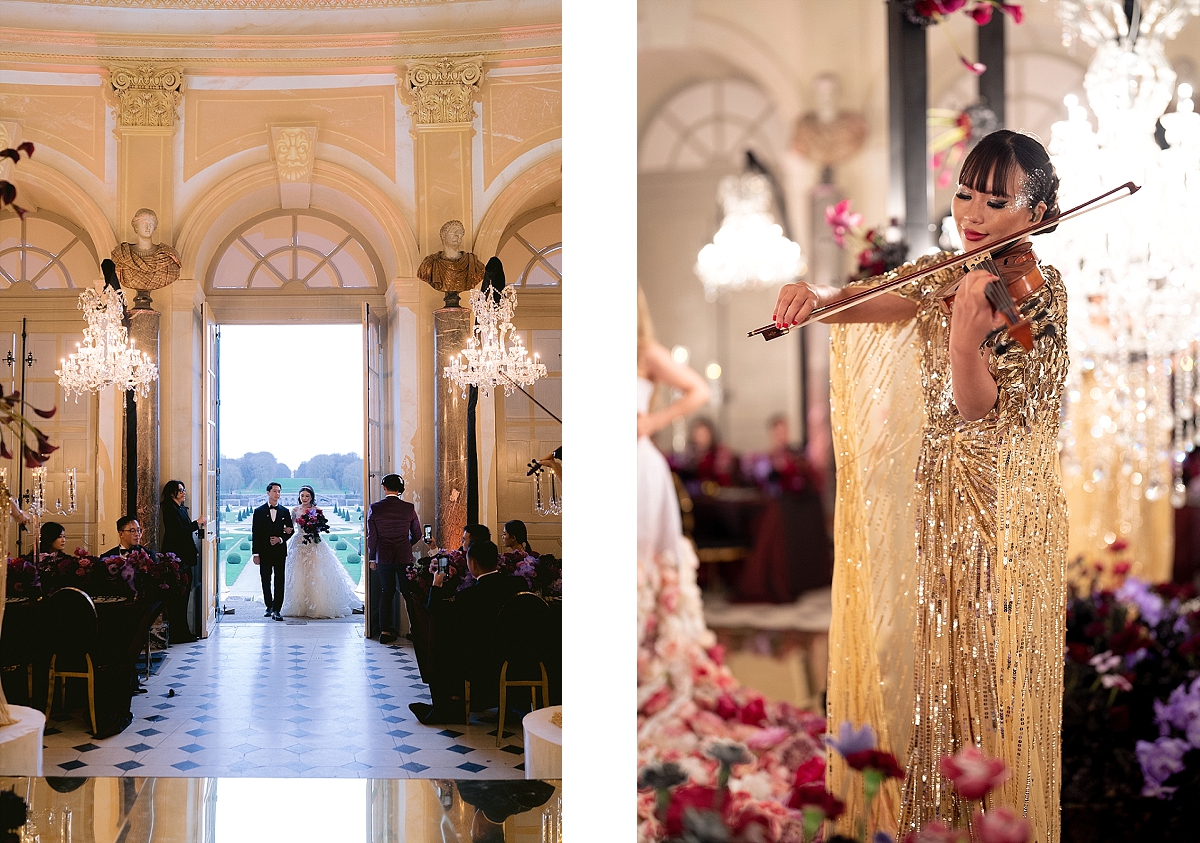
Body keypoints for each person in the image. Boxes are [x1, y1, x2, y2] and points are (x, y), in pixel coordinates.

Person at [772, 130, 1067, 840]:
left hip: (1002, 512)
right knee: (935, 665)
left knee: (990, 679)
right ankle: (936, 822)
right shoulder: (948, 268)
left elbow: (981, 411)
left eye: (997, 201)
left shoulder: (1039, 290)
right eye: (967, 192)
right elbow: (874, 299)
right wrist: (817, 298)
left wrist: (966, 341)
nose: (973, 211)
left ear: (1038, 212)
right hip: (937, 502)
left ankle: (994, 823)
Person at [636, 285, 721, 741]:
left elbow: (697, 390)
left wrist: (650, 422)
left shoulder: (643, 350)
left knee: (644, 567)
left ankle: (651, 662)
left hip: (638, 466)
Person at [410, 539, 525, 725]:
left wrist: (436, 585)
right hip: (518, 657)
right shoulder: (518, 585)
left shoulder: (470, 597)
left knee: (445, 644)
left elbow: (437, 613)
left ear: (472, 564)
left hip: (481, 662)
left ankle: (450, 706)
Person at [279, 485, 362, 620]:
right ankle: (298, 604)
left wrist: (315, 527)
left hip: (314, 543)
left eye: (307, 496)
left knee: (315, 572)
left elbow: (322, 526)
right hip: (299, 543)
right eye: (302, 496)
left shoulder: (317, 510)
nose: (304, 498)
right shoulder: (295, 510)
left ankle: (316, 604)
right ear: (299, 497)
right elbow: (291, 527)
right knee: (298, 572)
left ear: (312, 497)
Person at [365, 473, 423, 644]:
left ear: (384, 488)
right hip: (404, 556)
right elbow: (418, 534)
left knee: (386, 592)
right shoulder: (408, 508)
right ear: (400, 488)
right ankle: (416, 630)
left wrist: (372, 558)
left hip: (383, 556)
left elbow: (372, 537)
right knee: (408, 593)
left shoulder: (375, 508)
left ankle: (384, 631)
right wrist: (406, 544)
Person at [159, 479, 206, 644]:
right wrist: (197, 523)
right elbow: (178, 533)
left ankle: (183, 632)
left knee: (183, 598)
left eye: (183, 489)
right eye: (180, 490)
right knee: (178, 599)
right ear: (172, 493)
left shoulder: (179, 509)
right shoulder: (170, 510)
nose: (184, 492)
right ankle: (179, 634)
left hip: (183, 558)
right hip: (176, 560)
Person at [251, 482, 293, 622]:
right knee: (265, 579)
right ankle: (268, 606)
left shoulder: (285, 511)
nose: (277, 494)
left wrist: (280, 539)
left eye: (279, 491)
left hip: (280, 552)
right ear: (268, 492)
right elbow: (255, 533)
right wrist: (255, 553)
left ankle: (277, 610)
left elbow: (290, 530)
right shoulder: (259, 511)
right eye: (275, 491)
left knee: (279, 580)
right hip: (264, 552)